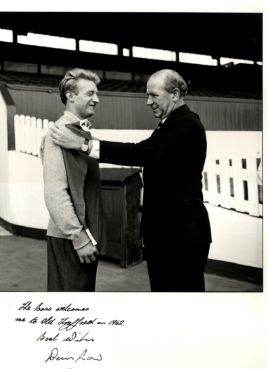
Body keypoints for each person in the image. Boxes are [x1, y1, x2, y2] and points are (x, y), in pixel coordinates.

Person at [49, 69, 212, 292]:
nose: (148, 102)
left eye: (154, 95)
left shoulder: (186, 125)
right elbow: (55, 192)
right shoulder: (171, 124)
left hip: (180, 239)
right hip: (170, 237)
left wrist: (84, 145)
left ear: (174, 94)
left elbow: (143, 152)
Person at [41, 68, 106, 292]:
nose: (96, 99)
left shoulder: (82, 132)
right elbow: (55, 194)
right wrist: (80, 239)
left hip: (83, 235)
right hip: (70, 238)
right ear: (70, 95)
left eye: (96, 94)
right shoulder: (57, 134)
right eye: (90, 93)